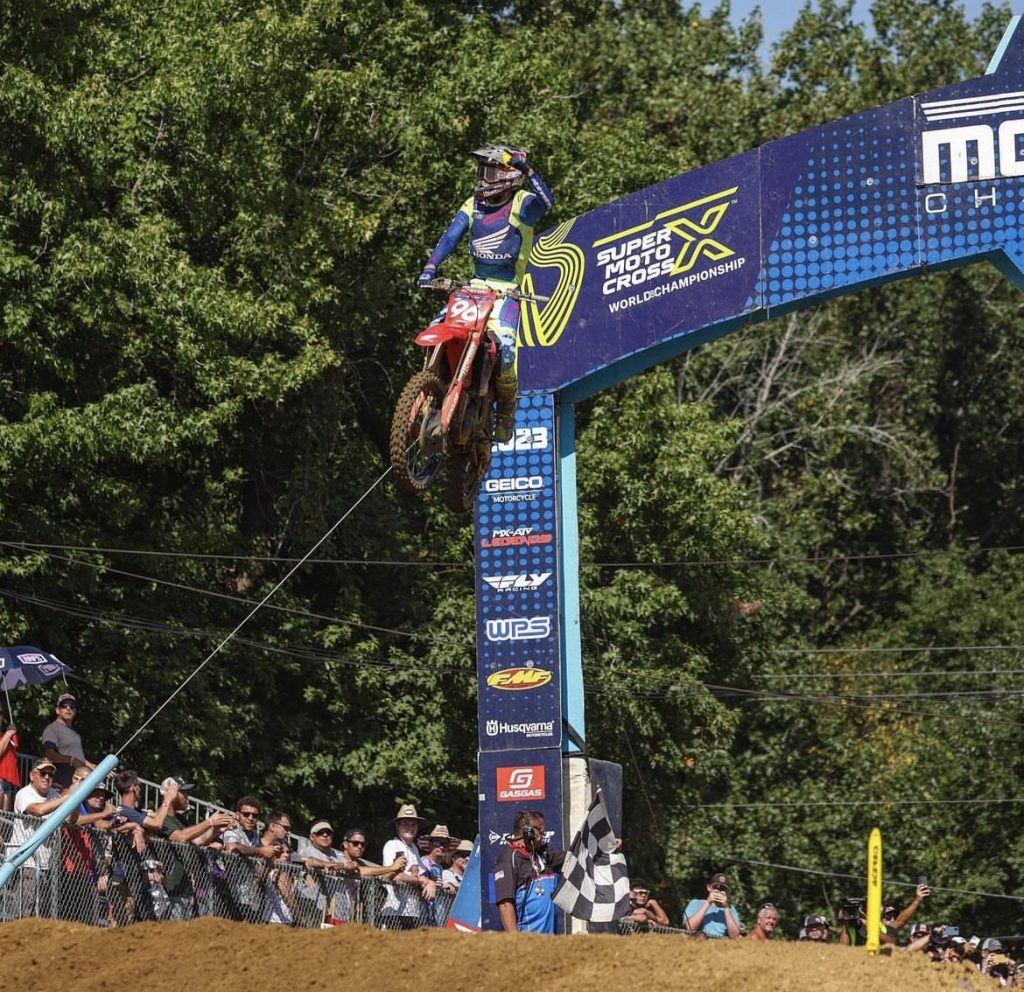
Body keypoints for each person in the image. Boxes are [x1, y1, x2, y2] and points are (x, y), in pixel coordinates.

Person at [416, 144, 554, 442]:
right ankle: (431, 394)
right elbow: (450, 237)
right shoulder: (473, 204)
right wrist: (431, 266)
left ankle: (506, 412)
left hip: (507, 293)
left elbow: (547, 202)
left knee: (505, 349)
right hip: (474, 287)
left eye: (490, 170)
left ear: (507, 175)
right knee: (435, 327)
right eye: (483, 170)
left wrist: (526, 169)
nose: (484, 176)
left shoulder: (522, 203)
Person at [8, 757, 80, 917]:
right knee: (23, 914)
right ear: (32, 775)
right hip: (26, 864)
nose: (47, 777)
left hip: (47, 864)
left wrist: (76, 798)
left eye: (50, 774)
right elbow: (38, 810)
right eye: (43, 773)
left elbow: (71, 820)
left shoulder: (54, 794)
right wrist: (68, 796)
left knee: (41, 915)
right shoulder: (24, 793)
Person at [492, 808, 565, 934]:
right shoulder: (508, 859)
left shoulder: (543, 854)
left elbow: (573, 859)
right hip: (526, 941)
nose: (543, 835)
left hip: (548, 942)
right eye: (540, 831)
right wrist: (515, 939)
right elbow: (505, 904)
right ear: (529, 832)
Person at [41, 692, 95, 789]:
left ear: (75, 711)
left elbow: (77, 757)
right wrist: (71, 760)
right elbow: (49, 755)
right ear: (57, 710)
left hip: (76, 786)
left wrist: (95, 767)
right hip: (60, 786)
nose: (68, 708)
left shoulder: (75, 733)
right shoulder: (52, 728)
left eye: (72, 706)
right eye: (64, 705)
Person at [682, 872, 743, 939]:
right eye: (715, 887)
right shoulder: (695, 903)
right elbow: (690, 927)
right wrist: (708, 902)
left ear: (727, 892)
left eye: (722, 888)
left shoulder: (731, 909)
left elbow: (734, 936)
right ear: (709, 888)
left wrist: (726, 907)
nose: (719, 890)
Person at [0, 720, 19, 812]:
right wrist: (8, 733)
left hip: (6, 780)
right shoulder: (6, 735)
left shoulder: (3, 736)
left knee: (3, 818)